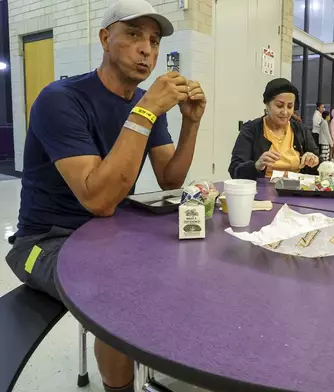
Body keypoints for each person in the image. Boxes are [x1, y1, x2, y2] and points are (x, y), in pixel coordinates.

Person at [4, 1, 207, 391]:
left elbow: (170, 178)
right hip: (43, 242)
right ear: (105, 39)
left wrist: (191, 125)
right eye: (132, 35)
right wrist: (145, 110)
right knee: (119, 288)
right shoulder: (60, 99)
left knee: (191, 257)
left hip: (107, 233)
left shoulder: (147, 105)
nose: (146, 48)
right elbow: (98, 200)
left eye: (154, 39)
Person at [229, 78, 320, 179]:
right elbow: (234, 170)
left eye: (290, 107)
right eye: (279, 106)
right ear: (267, 104)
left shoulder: (301, 130)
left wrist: (313, 160)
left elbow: (320, 166)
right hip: (262, 192)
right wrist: (256, 165)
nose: (285, 112)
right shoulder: (251, 130)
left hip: (297, 191)